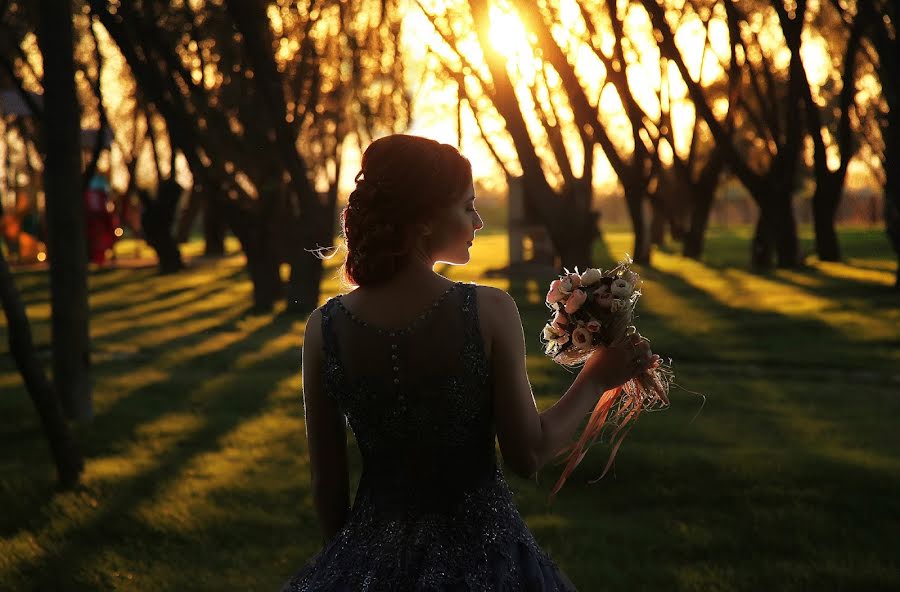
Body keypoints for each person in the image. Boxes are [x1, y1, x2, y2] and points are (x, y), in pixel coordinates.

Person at [281, 134, 657, 591]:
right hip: (485, 560)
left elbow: (328, 487)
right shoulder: (488, 311)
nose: (478, 221)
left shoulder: (324, 329)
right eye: (467, 206)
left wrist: (353, 570)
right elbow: (529, 452)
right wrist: (596, 377)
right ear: (422, 222)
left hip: (366, 555)